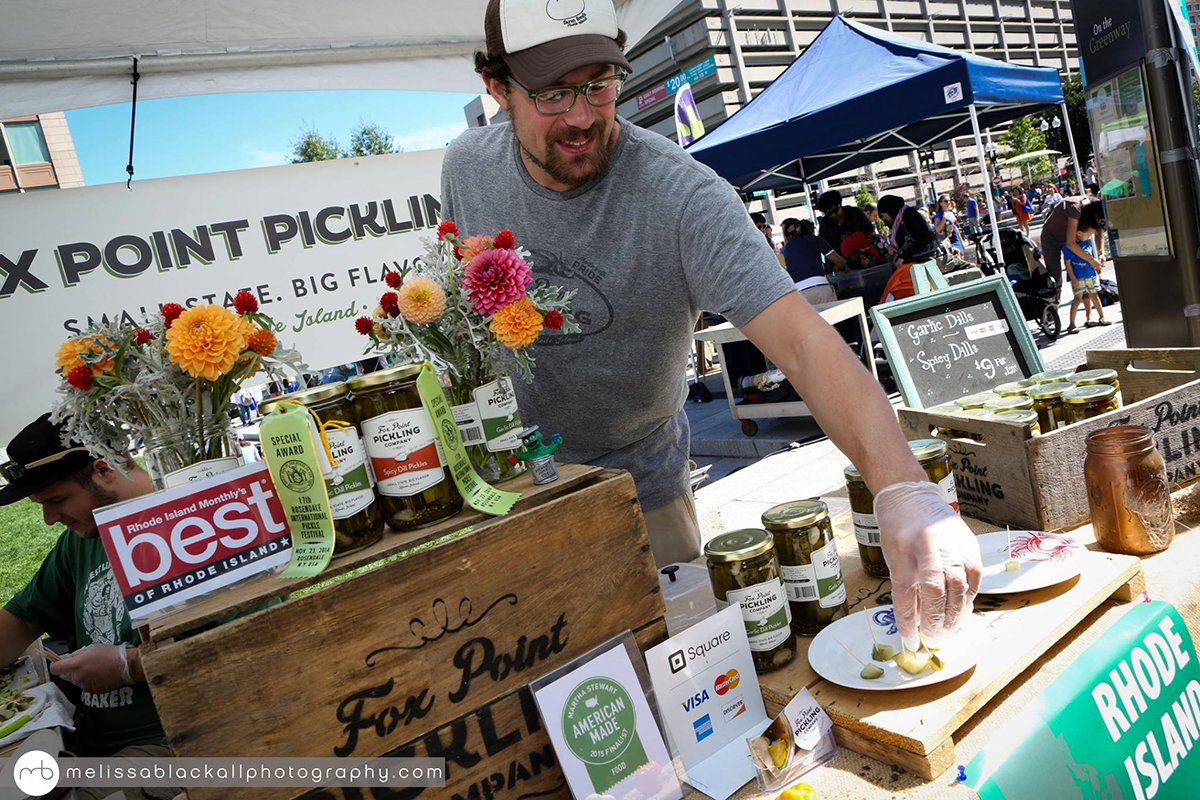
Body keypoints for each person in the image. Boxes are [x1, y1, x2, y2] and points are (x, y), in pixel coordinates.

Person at [446, 0, 981, 648]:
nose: (583, 115)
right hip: (518, 489)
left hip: (645, 486)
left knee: (679, 680)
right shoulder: (466, 168)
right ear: (497, 88)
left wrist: (900, 486)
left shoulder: (682, 196)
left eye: (598, 84)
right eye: (554, 94)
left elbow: (806, 344)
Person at [0, 415, 183, 799]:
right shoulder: (84, 538)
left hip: (177, 743)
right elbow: (21, 619)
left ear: (103, 470)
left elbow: (246, 647)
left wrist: (129, 666)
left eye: (56, 500)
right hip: (92, 739)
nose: (49, 519)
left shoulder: (190, 524)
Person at [1040, 194, 1107, 303]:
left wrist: (1101, 253)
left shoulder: (1097, 208)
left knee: (1082, 272)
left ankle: (1088, 313)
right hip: (1052, 237)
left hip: (1074, 236)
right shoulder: (1076, 208)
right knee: (1055, 276)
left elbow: (1099, 232)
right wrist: (1091, 260)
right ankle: (1053, 306)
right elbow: (1070, 243)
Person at [1061, 206, 1112, 334]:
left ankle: (1101, 316)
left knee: (1094, 296)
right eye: (1088, 234)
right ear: (1078, 233)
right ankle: (1071, 324)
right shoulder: (1068, 247)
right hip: (1078, 277)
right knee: (1077, 299)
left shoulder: (1086, 244)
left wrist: (1097, 265)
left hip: (1090, 275)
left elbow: (1091, 258)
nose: (1090, 236)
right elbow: (1067, 264)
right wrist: (1073, 278)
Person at [782, 219, 845, 304]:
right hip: (819, 287)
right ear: (810, 230)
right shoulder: (815, 240)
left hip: (799, 294)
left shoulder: (786, 248)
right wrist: (845, 267)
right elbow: (838, 261)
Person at [877, 195, 937, 266]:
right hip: (915, 263)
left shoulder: (909, 215)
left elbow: (924, 237)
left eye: (882, 215)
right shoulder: (898, 222)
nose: (883, 218)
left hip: (922, 263)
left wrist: (904, 256)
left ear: (888, 210)